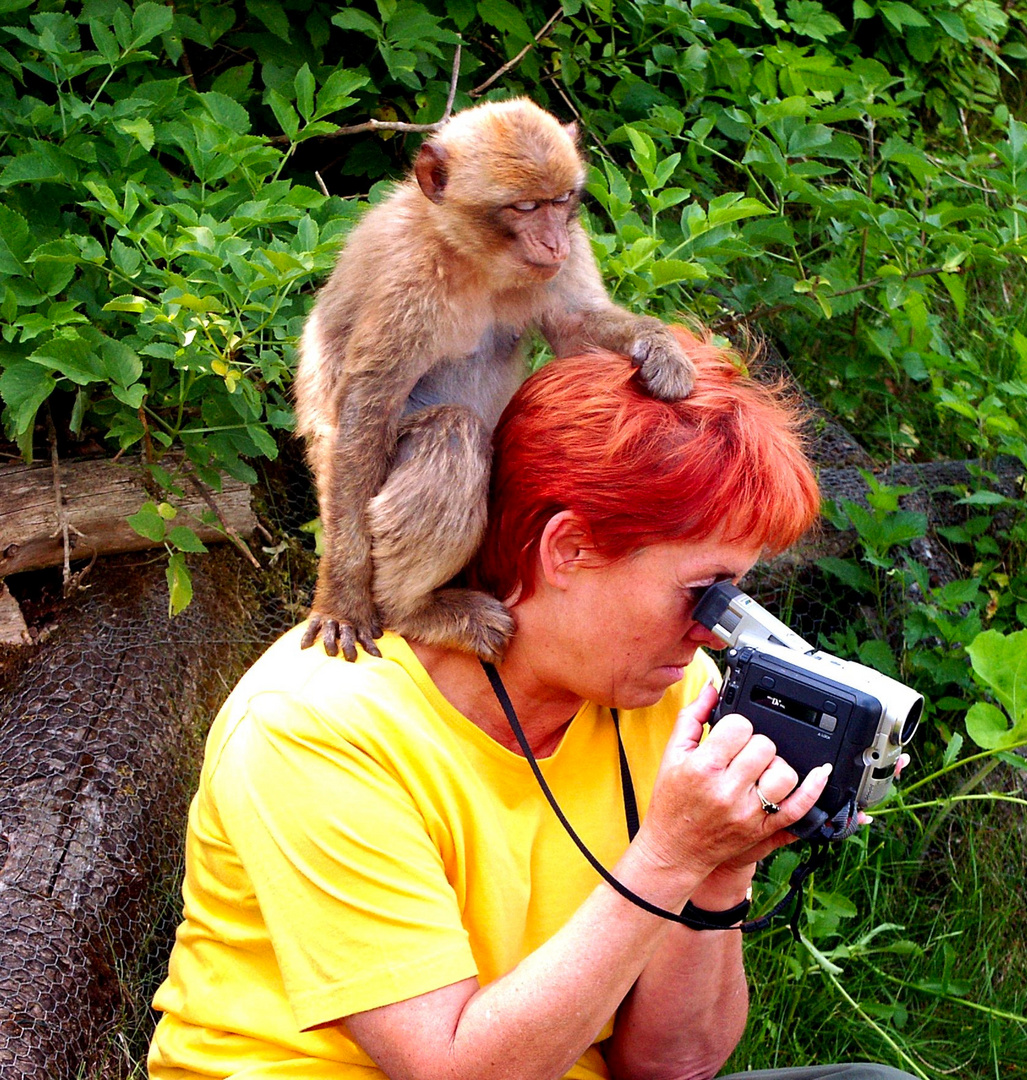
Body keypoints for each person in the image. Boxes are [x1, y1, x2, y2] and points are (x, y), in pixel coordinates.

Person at [147, 327, 917, 1080]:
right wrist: (668, 857)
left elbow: (674, 1066)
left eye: (731, 597)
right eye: (701, 593)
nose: (711, 634)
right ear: (566, 549)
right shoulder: (320, 724)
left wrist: (717, 871)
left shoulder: (664, 697)